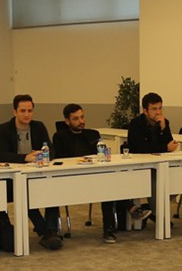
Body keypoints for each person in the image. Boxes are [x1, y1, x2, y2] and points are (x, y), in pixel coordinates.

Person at [0, 94, 62, 251]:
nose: (27, 114)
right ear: (15, 111)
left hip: (36, 174)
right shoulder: (3, 129)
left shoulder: (39, 127)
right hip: (12, 177)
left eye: (30, 110)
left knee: (52, 187)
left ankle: (51, 230)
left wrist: (42, 154)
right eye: (23, 111)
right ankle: (46, 232)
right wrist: (25, 158)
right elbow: (1, 155)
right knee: (23, 191)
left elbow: (51, 150)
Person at [53, 103, 127, 244]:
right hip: (70, 179)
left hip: (94, 176)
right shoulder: (60, 136)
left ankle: (108, 229)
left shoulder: (93, 134)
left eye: (82, 117)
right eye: (76, 119)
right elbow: (60, 159)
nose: (81, 121)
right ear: (67, 121)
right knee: (107, 185)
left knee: (109, 185)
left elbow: (101, 155)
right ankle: (131, 207)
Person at [125, 91, 181, 226]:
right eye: (154, 109)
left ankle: (149, 209)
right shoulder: (136, 124)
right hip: (140, 165)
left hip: (160, 163)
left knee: (178, 180)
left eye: (160, 108)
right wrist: (165, 147)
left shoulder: (164, 122)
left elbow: (169, 143)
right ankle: (158, 216)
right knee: (156, 181)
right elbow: (141, 147)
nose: (158, 112)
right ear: (145, 110)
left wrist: (163, 128)